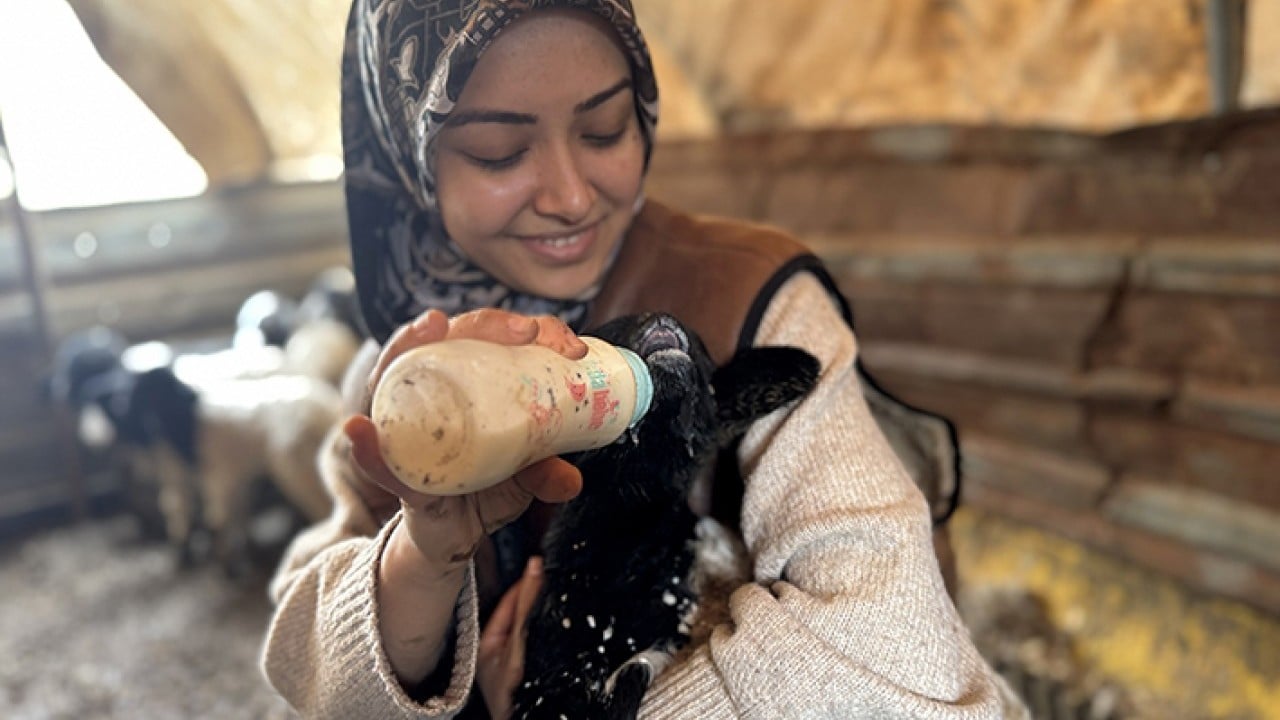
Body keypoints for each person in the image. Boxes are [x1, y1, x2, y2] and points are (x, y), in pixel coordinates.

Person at [261, 1, 1028, 718]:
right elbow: (312, 667)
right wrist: (425, 555)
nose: (570, 197)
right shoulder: (404, 378)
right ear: (411, 150)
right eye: (500, 152)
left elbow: (895, 645)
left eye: (604, 130)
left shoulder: (749, 302)